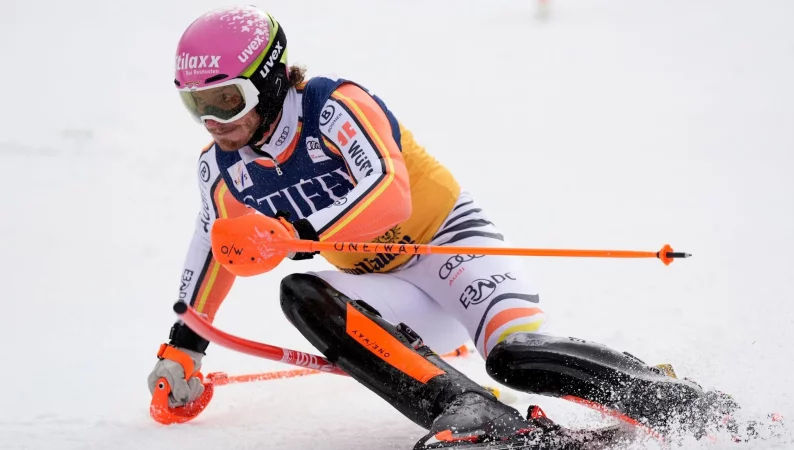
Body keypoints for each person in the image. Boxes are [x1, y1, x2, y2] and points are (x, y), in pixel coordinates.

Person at [148, 6, 738, 448]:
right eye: (195, 106)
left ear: (270, 79)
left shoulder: (333, 105)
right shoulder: (221, 167)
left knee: (516, 359)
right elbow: (212, 243)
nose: (212, 121)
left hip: (450, 249)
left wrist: (297, 229)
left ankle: (681, 401)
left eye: (224, 100)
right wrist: (184, 348)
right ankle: (474, 414)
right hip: (390, 290)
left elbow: (390, 195)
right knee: (300, 293)